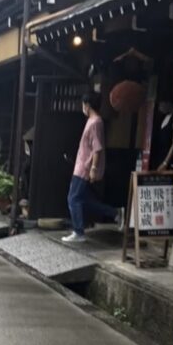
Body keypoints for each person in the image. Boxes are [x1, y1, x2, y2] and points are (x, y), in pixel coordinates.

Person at [62, 91, 123, 245]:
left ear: (87, 105)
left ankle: (78, 231)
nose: (83, 107)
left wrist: (94, 168)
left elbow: (97, 148)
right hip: (82, 165)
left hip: (84, 167)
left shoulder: (95, 122)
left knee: (73, 198)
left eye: (83, 104)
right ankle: (115, 212)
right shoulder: (92, 121)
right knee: (84, 199)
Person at [151, 99, 173, 172]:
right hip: (159, 156)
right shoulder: (162, 118)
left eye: (161, 103)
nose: (160, 107)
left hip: (167, 159)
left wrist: (165, 163)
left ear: (168, 103)